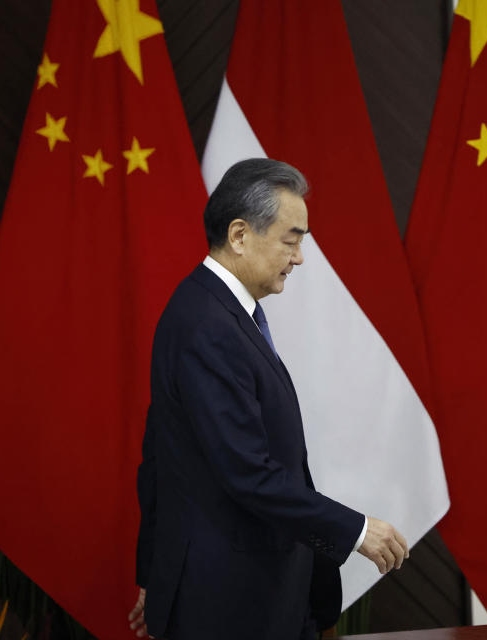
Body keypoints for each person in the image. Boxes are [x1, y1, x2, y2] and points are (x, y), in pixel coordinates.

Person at [127, 159, 410, 640]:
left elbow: (160, 456)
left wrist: (153, 573)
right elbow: (247, 472)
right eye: (291, 240)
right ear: (240, 235)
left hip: (261, 591)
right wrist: (357, 532)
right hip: (230, 604)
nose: (299, 258)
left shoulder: (219, 313)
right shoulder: (206, 326)